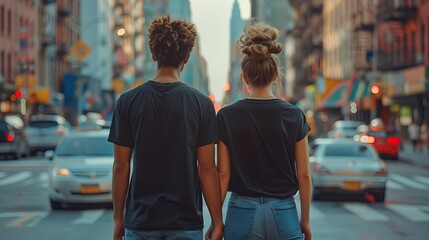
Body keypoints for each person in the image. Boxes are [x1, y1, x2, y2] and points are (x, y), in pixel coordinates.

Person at [108, 15, 223, 240]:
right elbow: (207, 168)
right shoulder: (201, 104)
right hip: (185, 222)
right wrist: (217, 221)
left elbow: (121, 166)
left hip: (140, 221)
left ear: (153, 54)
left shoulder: (128, 101)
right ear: (187, 57)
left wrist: (118, 219)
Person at [216, 21, 312, 240]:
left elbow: (222, 173)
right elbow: (304, 175)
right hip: (283, 210)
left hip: (241, 210)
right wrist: (304, 221)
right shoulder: (294, 115)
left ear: (245, 77)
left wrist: (216, 221)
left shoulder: (226, 116)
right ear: (276, 75)